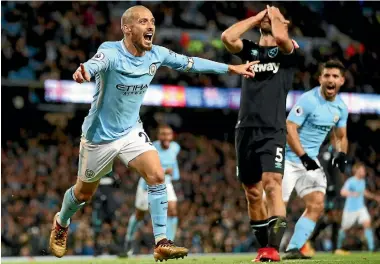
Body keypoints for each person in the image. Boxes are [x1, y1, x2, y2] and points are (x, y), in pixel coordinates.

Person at [49, 5, 258, 262]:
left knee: (157, 176)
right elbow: (95, 64)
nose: (150, 27)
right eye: (143, 22)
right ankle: (61, 222)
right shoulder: (111, 51)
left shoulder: (156, 54)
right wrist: (85, 72)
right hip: (99, 137)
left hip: (131, 132)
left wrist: (231, 69)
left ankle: (161, 241)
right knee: (83, 194)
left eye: (153, 22)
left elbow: (189, 63)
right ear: (127, 28)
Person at [221, 5, 299, 262]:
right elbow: (227, 38)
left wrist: (276, 15)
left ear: (284, 24)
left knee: (272, 184)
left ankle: (274, 249)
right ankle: (264, 249)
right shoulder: (252, 51)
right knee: (253, 192)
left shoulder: (288, 51)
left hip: (272, 129)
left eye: (275, 19)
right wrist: (255, 18)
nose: (269, 18)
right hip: (244, 129)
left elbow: (280, 38)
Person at [282, 59, 349, 260]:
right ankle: (268, 248)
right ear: (320, 78)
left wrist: (341, 154)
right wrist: (303, 157)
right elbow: (289, 127)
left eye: (335, 76)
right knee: (278, 207)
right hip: (288, 158)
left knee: (317, 204)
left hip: (310, 161)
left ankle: (294, 248)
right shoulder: (308, 100)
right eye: (327, 75)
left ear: (342, 81)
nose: (330, 79)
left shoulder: (341, 108)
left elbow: (340, 136)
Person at [122, 125, 181, 257]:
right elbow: (146, 169)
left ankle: (168, 245)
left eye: (168, 134)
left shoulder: (175, 147)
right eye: (163, 134)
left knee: (172, 210)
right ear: (158, 136)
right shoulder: (150, 148)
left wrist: (174, 174)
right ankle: (129, 240)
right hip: (148, 184)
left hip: (166, 183)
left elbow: (173, 163)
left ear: (172, 136)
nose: (166, 137)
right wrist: (165, 171)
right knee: (139, 215)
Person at [335, 162, 380, 255]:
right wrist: (352, 194)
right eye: (362, 170)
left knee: (367, 223)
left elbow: (364, 192)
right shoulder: (351, 181)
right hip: (350, 210)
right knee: (344, 228)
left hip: (361, 208)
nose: (364, 172)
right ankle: (338, 247)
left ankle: (372, 248)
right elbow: (342, 192)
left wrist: (375, 197)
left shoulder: (362, 181)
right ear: (356, 171)